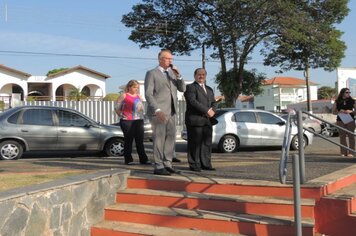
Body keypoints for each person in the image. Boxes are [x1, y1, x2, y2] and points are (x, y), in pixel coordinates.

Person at [144, 49, 186, 175]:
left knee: (171, 139)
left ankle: (168, 163)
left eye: (171, 59)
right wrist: (157, 109)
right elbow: (148, 94)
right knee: (159, 139)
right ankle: (158, 165)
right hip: (159, 113)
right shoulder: (152, 73)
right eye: (168, 58)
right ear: (160, 59)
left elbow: (182, 88)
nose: (170, 61)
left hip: (172, 111)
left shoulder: (172, 74)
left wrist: (179, 75)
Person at [184, 68, 217, 171]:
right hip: (195, 120)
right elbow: (193, 102)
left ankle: (206, 164)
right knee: (195, 144)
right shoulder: (190, 87)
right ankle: (194, 164)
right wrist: (207, 110)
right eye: (199, 74)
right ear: (195, 76)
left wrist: (213, 111)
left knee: (206, 143)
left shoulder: (209, 89)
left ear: (206, 76)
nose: (201, 76)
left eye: (203, 74)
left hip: (207, 121)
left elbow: (214, 102)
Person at [115, 80, 150, 165]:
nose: (136, 89)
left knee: (140, 141)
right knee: (129, 140)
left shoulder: (139, 96)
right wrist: (122, 115)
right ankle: (128, 160)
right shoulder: (124, 95)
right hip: (127, 121)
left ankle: (144, 159)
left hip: (138, 120)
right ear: (129, 87)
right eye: (134, 87)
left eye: (137, 87)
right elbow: (116, 107)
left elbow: (140, 108)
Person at [332, 87, 356, 157]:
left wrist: (350, 111)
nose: (348, 94)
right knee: (342, 136)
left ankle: (351, 152)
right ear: (342, 93)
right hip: (340, 120)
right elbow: (333, 112)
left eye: (349, 92)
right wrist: (340, 111)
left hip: (350, 120)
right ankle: (343, 152)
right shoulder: (337, 101)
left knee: (351, 136)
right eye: (347, 92)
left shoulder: (352, 101)